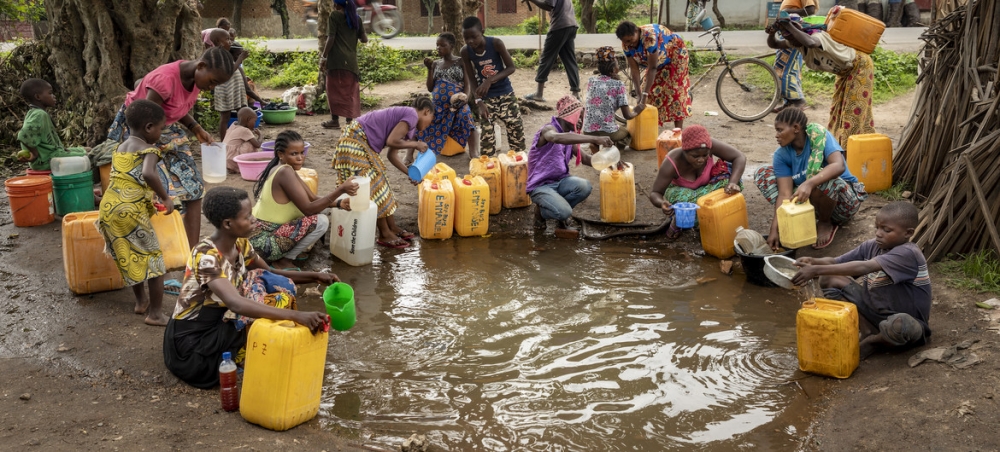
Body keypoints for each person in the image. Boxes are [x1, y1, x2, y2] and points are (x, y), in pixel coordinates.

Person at [163, 186, 332, 389]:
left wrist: (315, 276)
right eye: (247, 216)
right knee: (265, 298)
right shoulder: (206, 257)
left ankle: (251, 347)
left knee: (267, 280)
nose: (254, 220)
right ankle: (245, 353)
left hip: (216, 322)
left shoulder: (240, 245)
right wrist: (297, 316)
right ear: (228, 223)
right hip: (194, 347)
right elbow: (236, 304)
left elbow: (272, 273)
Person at [106, 46, 235, 248]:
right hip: (140, 131)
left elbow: (175, 106)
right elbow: (146, 122)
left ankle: (190, 255)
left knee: (194, 189)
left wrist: (196, 128)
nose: (212, 88)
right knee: (151, 192)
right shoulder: (165, 80)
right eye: (212, 82)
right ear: (201, 66)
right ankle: (151, 250)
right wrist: (152, 156)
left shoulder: (195, 80)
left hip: (164, 127)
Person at [791, 201, 930, 358]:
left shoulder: (908, 253)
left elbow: (864, 267)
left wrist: (815, 270)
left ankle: (872, 343)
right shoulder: (872, 246)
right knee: (829, 277)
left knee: (901, 324)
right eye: (877, 227)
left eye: (886, 230)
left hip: (904, 322)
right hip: (874, 312)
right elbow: (836, 262)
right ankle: (866, 331)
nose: (878, 233)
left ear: (908, 233)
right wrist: (813, 261)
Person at [97, 100, 173, 326]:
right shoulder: (149, 150)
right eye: (160, 129)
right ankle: (156, 314)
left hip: (109, 207)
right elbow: (149, 174)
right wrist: (165, 197)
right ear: (149, 127)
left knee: (129, 255)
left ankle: (141, 303)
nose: (160, 134)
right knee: (153, 262)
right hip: (129, 210)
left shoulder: (120, 148)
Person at [754, 108, 867, 250]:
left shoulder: (820, 137)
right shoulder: (781, 155)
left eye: (780, 130)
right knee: (764, 173)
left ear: (796, 128)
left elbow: (839, 166)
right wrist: (774, 229)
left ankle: (825, 223)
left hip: (844, 203)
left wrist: (809, 183)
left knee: (824, 180)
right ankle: (805, 217)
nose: (776, 135)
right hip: (811, 203)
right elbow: (785, 194)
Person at [332, 98, 435, 248]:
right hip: (355, 138)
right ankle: (384, 233)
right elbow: (392, 140)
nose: (426, 126)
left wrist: (411, 174)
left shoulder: (409, 126)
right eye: (430, 120)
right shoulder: (412, 115)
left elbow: (391, 155)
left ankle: (391, 228)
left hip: (362, 142)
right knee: (373, 185)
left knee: (381, 182)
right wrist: (415, 144)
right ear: (426, 111)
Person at [250, 130, 358, 269]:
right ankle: (284, 260)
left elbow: (312, 198)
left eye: (302, 153)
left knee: (323, 209)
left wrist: (338, 203)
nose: (300, 158)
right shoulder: (284, 172)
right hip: (263, 244)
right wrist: (340, 190)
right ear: (281, 154)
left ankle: (288, 251)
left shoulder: (285, 169)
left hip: (261, 236)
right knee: (321, 221)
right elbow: (308, 209)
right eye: (294, 154)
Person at [767, 14, 876, 147]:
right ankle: (840, 144)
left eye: (791, 36)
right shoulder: (796, 41)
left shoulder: (817, 36)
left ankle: (853, 148)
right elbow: (774, 44)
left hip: (860, 66)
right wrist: (772, 33)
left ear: (799, 30)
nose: (791, 42)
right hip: (844, 73)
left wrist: (788, 25)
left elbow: (811, 43)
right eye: (787, 37)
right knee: (838, 108)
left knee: (853, 111)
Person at [528, 95, 613, 232]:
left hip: (560, 181)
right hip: (541, 186)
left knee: (584, 186)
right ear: (569, 115)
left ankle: (556, 208)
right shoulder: (548, 130)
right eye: (579, 116)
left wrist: (610, 161)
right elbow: (555, 138)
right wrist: (596, 139)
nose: (581, 121)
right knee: (565, 212)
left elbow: (586, 159)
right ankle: (541, 213)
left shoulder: (569, 135)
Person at [649, 124, 747, 239]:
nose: (701, 159)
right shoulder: (672, 162)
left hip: (706, 189)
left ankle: (709, 217)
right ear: (684, 151)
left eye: (705, 155)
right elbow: (655, 193)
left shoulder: (709, 145)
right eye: (695, 156)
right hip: (682, 194)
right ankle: (681, 221)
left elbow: (739, 157)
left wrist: (732, 183)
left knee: (730, 174)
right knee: (685, 201)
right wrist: (662, 203)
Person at [461, 16, 526, 157]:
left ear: (482, 32)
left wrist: (489, 80)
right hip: (486, 97)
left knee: (515, 128)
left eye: (474, 36)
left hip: (505, 92)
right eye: (466, 38)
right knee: (487, 135)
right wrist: (478, 102)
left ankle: (518, 162)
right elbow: (472, 80)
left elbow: (511, 68)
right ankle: (488, 166)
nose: (470, 41)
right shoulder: (465, 51)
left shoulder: (496, 43)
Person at [616, 21, 692, 129]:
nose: (629, 44)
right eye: (625, 41)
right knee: (651, 91)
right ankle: (651, 126)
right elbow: (634, 69)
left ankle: (678, 131)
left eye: (630, 40)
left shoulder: (649, 37)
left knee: (675, 91)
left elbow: (652, 68)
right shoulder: (626, 44)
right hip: (658, 60)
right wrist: (639, 94)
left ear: (637, 31)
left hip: (676, 53)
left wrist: (644, 96)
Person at [416, 32, 479, 158]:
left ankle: (474, 152)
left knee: (466, 115)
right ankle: (409, 153)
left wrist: (464, 99)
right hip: (437, 105)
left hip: (457, 104)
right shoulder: (435, 64)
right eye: (437, 45)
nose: (438, 48)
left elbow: (467, 85)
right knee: (419, 117)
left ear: (451, 46)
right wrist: (429, 69)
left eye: (442, 45)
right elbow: (430, 88)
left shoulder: (461, 62)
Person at [581, 47, 644, 153]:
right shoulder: (618, 84)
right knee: (626, 135)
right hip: (607, 131)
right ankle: (609, 151)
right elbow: (627, 116)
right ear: (614, 69)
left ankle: (594, 143)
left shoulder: (591, 80)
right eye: (617, 64)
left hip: (588, 131)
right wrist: (638, 109)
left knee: (608, 127)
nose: (618, 67)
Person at [15, 78, 86, 171]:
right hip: (46, 160)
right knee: (89, 156)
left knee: (86, 149)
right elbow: (24, 134)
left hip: (52, 154)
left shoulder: (34, 112)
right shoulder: (39, 114)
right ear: (38, 97)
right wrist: (35, 154)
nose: (54, 96)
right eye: (50, 93)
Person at [320, 0, 368, 129]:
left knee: (333, 91)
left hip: (336, 61)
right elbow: (364, 39)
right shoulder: (356, 18)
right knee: (350, 92)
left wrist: (323, 57)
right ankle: (349, 121)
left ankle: (335, 120)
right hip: (351, 63)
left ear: (337, 4)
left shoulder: (334, 16)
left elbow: (331, 37)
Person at [521, 0, 580, 102]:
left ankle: (539, 94)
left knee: (546, 58)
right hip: (571, 25)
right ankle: (575, 93)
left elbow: (548, 6)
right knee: (570, 60)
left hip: (559, 26)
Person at [213, 34, 264, 142]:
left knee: (244, 116)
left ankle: (244, 138)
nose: (240, 57)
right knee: (225, 118)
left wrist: (260, 100)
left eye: (240, 54)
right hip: (225, 94)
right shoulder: (223, 64)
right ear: (229, 54)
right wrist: (240, 59)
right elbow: (228, 72)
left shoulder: (238, 68)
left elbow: (247, 89)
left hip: (237, 96)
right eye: (238, 54)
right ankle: (224, 143)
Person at [772, 0, 817, 112]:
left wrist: (787, 11)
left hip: (793, 31)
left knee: (785, 68)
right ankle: (788, 102)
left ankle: (798, 100)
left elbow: (810, 10)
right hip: (788, 30)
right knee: (787, 67)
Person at [224, 107, 262, 173]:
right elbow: (257, 145)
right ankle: (245, 164)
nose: (255, 123)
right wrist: (261, 135)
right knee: (250, 145)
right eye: (254, 121)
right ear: (248, 120)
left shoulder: (233, 124)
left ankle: (231, 167)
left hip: (224, 158)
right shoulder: (245, 130)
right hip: (233, 160)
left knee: (247, 141)